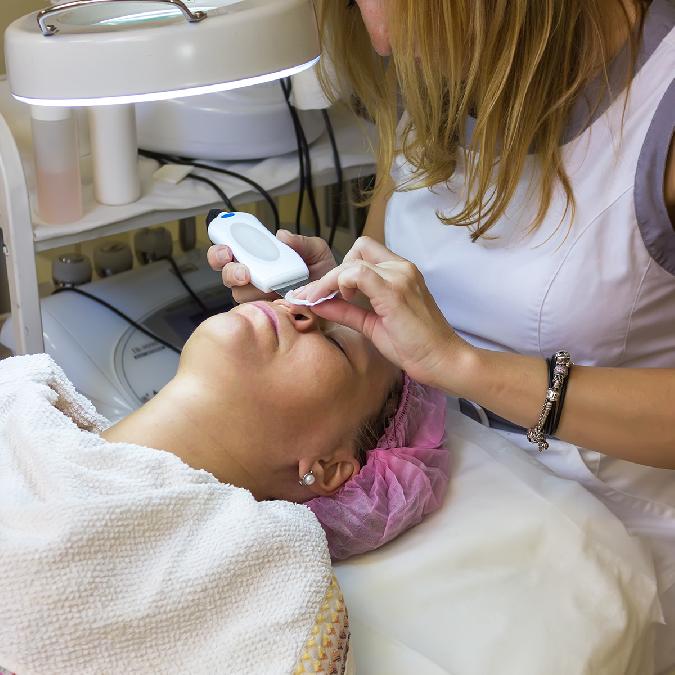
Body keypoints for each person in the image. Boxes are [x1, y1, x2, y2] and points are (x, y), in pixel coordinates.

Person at [207, 0, 675, 671]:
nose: (378, 36)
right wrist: (336, 294)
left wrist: (464, 366)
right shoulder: (446, 60)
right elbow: (389, 258)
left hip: (610, 544)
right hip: (436, 483)